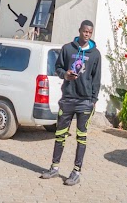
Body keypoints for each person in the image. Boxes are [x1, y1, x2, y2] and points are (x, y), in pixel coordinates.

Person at [39, 20, 101, 186]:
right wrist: (65, 75)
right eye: (85, 31)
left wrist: (93, 100)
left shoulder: (95, 54)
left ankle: (76, 171)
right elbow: (57, 68)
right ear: (79, 30)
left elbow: (96, 79)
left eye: (90, 32)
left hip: (85, 101)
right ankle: (54, 167)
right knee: (60, 134)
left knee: (81, 137)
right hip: (67, 99)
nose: (87, 34)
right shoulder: (67, 49)